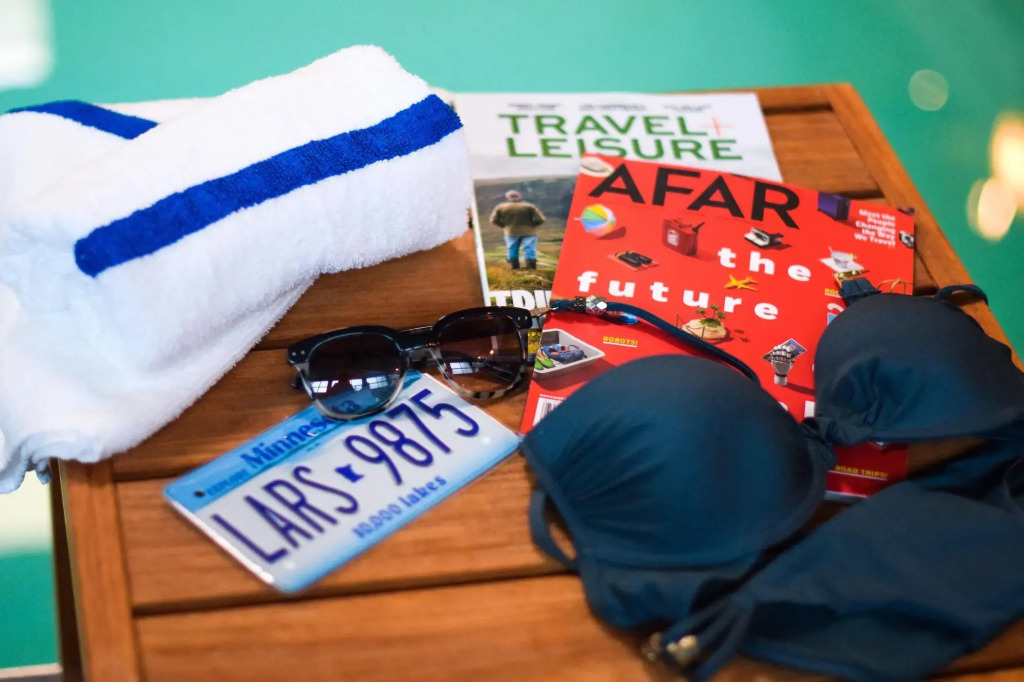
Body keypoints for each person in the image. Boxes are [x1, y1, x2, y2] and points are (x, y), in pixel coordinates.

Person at [489, 189, 544, 270]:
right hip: (529, 232)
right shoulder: (529, 206)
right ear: (519, 196)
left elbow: (493, 220)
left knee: (512, 249)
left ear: (507, 197)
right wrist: (532, 226)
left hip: (510, 232)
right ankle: (531, 268)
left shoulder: (501, 207)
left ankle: (514, 268)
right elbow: (540, 219)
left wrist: (503, 226)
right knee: (529, 249)